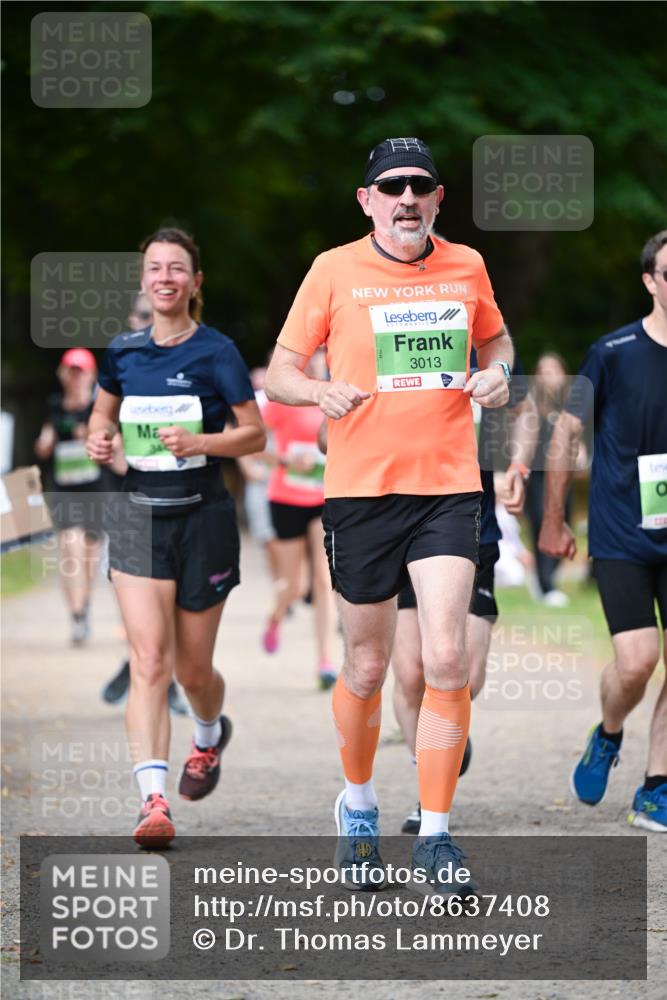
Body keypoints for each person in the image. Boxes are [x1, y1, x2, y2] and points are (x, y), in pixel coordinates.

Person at [265, 137, 514, 894]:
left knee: (444, 661)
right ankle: (361, 806)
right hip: (361, 491)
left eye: (420, 186)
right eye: (390, 186)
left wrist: (498, 372)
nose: (406, 197)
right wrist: (316, 393)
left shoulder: (465, 265)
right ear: (366, 200)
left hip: (446, 486)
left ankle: (435, 834)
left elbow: (495, 338)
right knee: (369, 666)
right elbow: (279, 370)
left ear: (438, 198)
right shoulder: (332, 269)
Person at [87, 227, 265, 848]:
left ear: (194, 282)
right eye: (155, 267)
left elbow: (254, 435)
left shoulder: (217, 352)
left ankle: (210, 733)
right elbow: (101, 417)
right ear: (143, 279)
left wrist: (201, 444)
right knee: (150, 661)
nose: (165, 277)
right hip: (138, 518)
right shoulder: (123, 352)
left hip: (203, 519)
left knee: (192, 670)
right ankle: (154, 801)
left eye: (177, 268)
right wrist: (99, 440)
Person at [539, 230, 667, 833]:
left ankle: (656, 786)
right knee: (638, 661)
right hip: (623, 533)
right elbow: (565, 433)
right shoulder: (612, 352)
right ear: (650, 281)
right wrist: (555, 517)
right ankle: (609, 732)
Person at [393, 355, 536, 833]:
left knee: (461, 675)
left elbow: (528, 410)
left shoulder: (482, 353)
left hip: (472, 530)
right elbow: (327, 436)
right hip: (393, 529)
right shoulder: (379, 344)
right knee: (413, 673)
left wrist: (516, 464)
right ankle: (427, 791)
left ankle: (446, 726)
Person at [100, 294, 188, 716]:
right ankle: (143, 668)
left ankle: (160, 676)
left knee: (170, 604)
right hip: (130, 505)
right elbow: (100, 424)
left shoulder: (188, 363)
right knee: (136, 604)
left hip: (183, 504)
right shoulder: (120, 364)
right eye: (140, 315)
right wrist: (107, 442)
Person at [262, 349, 338, 689]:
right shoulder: (283, 397)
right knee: (294, 585)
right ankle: (276, 616)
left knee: (324, 580)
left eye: (323, 355)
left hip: (323, 497)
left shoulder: (335, 394)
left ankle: (325, 660)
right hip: (286, 497)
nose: (318, 361)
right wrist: (283, 460)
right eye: (314, 355)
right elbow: (251, 440)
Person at [35, 348, 105, 645]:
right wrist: (45, 441)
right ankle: (76, 616)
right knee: (71, 549)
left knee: (88, 557)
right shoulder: (55, 406)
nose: (75, 378)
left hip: (95, 489)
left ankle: (84, 607)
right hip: (64, 489)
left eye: (80, 372)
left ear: (90, 375)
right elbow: (43, 447)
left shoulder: (98, 407)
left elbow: (109, 441)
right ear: (64, 375)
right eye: (71, 372)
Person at [524, 352, 573, 607]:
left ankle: (545, 577)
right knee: (544, 524)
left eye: (554, 370)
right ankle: (546, 585)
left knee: (565, 523)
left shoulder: (572, 405)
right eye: (543, 371)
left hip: (564, 476)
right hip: (539, 475)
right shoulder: (532, 405)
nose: (549, 376)